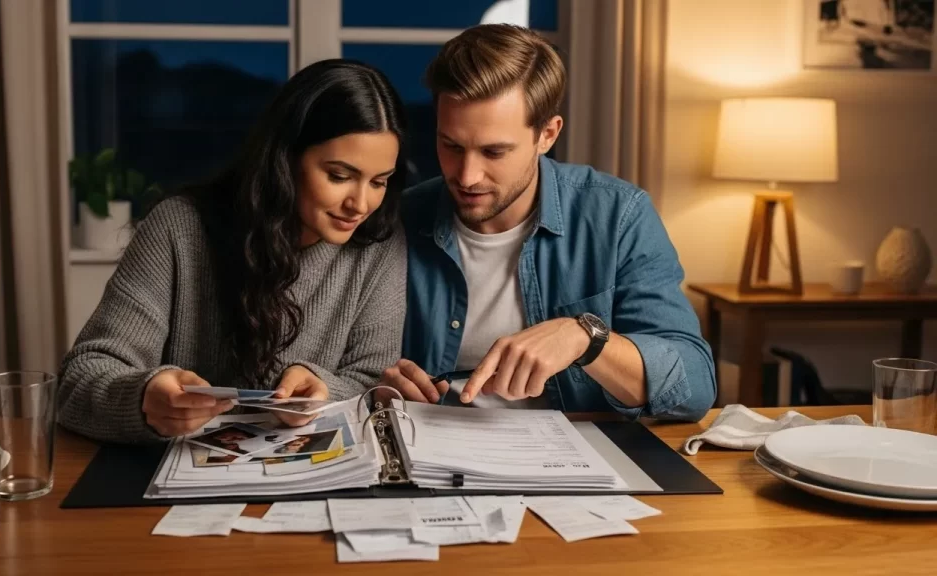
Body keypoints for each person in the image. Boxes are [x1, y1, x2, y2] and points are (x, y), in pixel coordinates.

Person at [57, 59, 410, 443]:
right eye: (339, 176)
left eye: (379, 181)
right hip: (170, 484)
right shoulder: (179, 229)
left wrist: (324, 389)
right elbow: (79, 381)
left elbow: (374, 384)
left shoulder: (377, 243)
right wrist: (144, 397)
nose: (360, 204)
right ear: (286, 159)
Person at [381, 24, 716, 420]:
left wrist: (585, 339)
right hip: (430, 454)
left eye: (494, 151)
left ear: (547, 135)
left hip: (577, 463)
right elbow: (346, 365)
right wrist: (375, 384)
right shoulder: (398, 218)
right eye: (451, 146)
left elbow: (694, 387)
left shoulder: (618, 215)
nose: (467, 175)